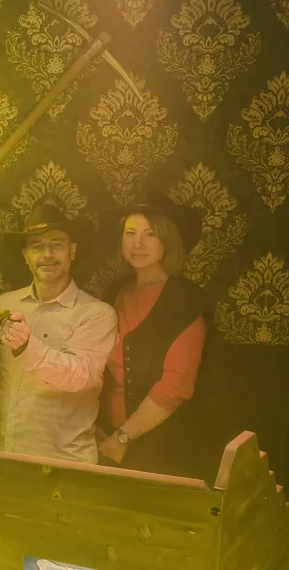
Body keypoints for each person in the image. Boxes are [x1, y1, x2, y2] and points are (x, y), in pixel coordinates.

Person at [0, 205, 118, 464]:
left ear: (72, 251)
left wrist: (26, 348)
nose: (47, 254)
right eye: (37, 246)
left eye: (56, 244)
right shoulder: (5, 305)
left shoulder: (97, 314)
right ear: (25, 256)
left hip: (63, 463)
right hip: (0, 454)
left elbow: (80, 377)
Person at [97, 191, 207, 477]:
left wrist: (122, 438)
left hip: (160, 448)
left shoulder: (185, 300)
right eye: (130, 233)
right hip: (103, 439)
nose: (138, 243)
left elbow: (176, 387)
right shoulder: (115, 292)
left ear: (168, 242)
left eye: (150, 234)